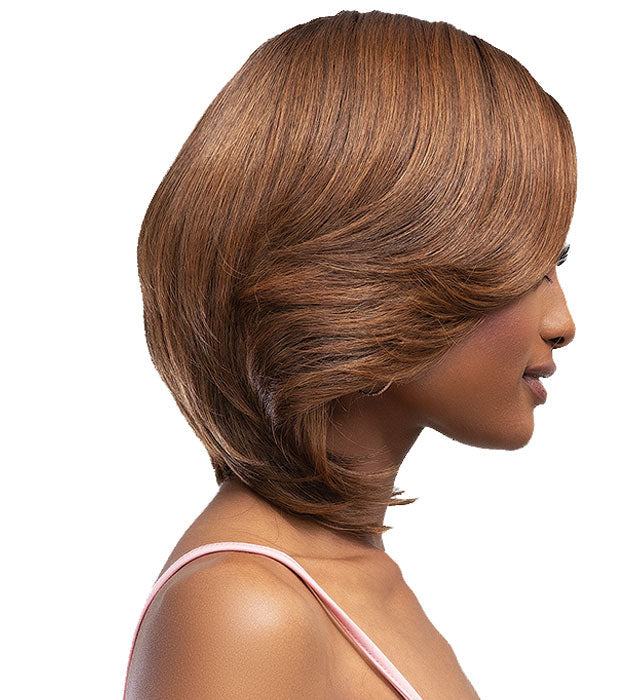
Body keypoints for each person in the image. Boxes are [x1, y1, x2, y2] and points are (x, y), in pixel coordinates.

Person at [123, 9, 576, 699]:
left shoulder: (347, 571)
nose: (562, 323)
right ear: (372, 268)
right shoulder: (245, 610)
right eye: (526, 268)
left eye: (555, 264)